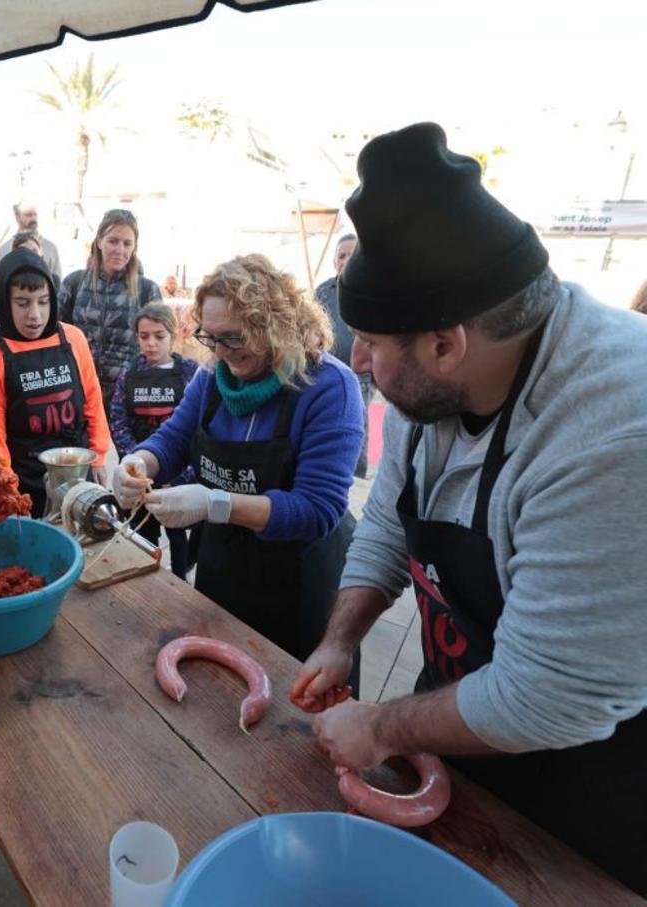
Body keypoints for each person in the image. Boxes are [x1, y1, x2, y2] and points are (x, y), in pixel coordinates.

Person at [288, 123, 647, 896]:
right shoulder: (441, 384)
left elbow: (545, 697)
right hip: (463, 738)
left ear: (446, 343)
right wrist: (342, 638)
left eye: (373, 343)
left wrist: (381, 725)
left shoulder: (612, 429)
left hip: (591, 804)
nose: (355, 361)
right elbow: (389, 517)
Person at [112, 254, 363, 675]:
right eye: (211, 338)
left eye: (233, 337)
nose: (221, 352)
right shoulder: (213, 376)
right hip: (224, 566)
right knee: (218, 686)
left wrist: (217, 504)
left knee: (293, 703)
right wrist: (139, 462)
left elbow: (318, 508)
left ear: (274, 323)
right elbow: (174, 439)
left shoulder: (327, 387)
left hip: (299, 578)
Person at [0, 248, 113, 516]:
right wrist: (8, 490)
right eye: (23, 303)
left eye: (43, 301)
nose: (35, 315)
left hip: (78, 468)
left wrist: (99, 456)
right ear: (5, 301)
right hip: (25, 478)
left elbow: (93, 400)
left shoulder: (73, 339)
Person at [108, 302, 201, 578]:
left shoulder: (190, 372)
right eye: (143, 336)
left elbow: (198, 427)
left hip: (177, 474)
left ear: (173, 335)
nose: (151, 343)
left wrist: (183, 475)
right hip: (140, 476)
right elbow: (117, 419)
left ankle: (181, 577)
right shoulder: (129, 373)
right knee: (141, 534)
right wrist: (136, 462)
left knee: (177, 532)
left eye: (159, 336)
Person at [59, 208, 162, 411]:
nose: (120, 250)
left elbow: (158, 348)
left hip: (126, 397)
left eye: (127, 243)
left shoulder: (147, 290)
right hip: (78, 393)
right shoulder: (74, 283)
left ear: (134, 247)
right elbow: (57, 338)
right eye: (113, 241)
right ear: (99, 242)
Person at [315, 233, 370, 478]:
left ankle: (355, 478)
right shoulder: (324, 291)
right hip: (325, 372)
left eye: (352, 254)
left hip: (360, 374)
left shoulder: (372, 289)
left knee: (356, 427)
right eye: (342, 255)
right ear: (334, 261)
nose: (346, 260)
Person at [0, 201, 62, 279]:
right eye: (28, 215)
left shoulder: (50, 248)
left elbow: (58, 282)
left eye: (35, 214)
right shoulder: (5, 249)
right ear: (17, 217)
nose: (33, 218)